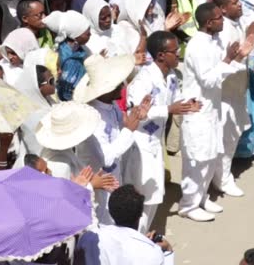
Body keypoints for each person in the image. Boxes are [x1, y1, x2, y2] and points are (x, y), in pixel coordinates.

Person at [179, 2, 251, 222]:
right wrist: (229, 60)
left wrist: (237, 58)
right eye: (220, 17)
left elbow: (222, 68)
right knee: (198, 158)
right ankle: (188, 205)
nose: (223, 21)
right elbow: (209, 79)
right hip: (198, 110)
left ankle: (201, 198)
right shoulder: (197, 46)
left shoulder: (212, 41)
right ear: (209, 23)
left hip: (212, 110)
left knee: (211, 155)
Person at [126, 31, 200, 232]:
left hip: (155, 143)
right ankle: (137, 237)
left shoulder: (172, 77)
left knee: (155, 193)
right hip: (139, 144)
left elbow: (176, 100)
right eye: (174, 51)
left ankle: (142, 234)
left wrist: (189, 105)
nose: (178, 54)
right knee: (144, 194)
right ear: (160, 55)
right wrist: (167, 110)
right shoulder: (143, 80)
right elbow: (134, 113)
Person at [74, 54, 149, 224]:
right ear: (105, 90)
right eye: (117, 84)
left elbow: (121, 125)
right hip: (99, 181)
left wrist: (137, 116)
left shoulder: (111, 105)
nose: (123, 86)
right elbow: (106, 158)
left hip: (115, 176)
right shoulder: (93, 118)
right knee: (103, 222)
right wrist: (129, 130)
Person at [76, 185, 175, 265]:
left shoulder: (90, 237)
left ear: (110, 211)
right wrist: (168, 250)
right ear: (140, 214)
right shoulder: (152, 253)